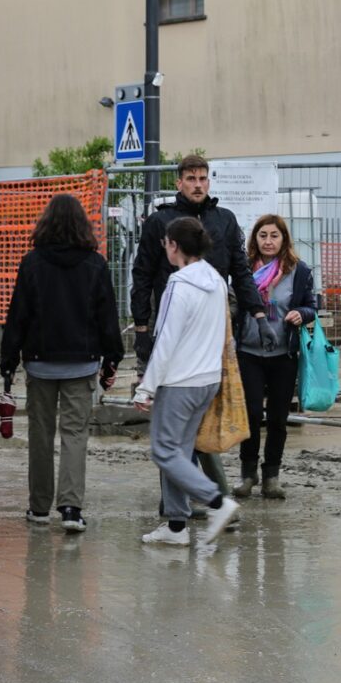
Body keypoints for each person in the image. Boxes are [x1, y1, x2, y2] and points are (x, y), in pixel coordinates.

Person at [129, 154, 272, 503]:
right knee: (176, 424)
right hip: (171, 327)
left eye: (203, 178)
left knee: (198, 420)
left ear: (209, 181)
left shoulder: (223, 220)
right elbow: (143, 274)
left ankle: (207, 499)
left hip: (214, 329)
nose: (197, 184)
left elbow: (240, 270)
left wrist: (258, 313)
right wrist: (143, 328)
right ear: (179, 182)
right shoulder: (161, 221)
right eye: (191, 178)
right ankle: (190, 502)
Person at [0, 194, 124, 533]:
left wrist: (8, 361)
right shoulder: (95, 264)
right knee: (74, 435)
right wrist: (112, 358)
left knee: (40, 435)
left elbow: (18, 316)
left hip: (40, 364)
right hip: (81, 365)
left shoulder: (32, 263)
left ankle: (39, 508)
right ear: (82, 224)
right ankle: (71, 508)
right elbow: (107, 316)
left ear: (46, 222)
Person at [133, 217, 240, 547]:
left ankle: (218, 502)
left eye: (166, 242)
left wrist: (146, 386)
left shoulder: (178, 286)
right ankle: (177, 527)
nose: (165, 247)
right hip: (206, 379)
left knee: (164, 452)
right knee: (179, 451)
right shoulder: (217, 280)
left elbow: (164, 340)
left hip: (179, 381)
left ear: (174, 246)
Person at [232, 214, 317, 500]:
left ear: (284, 239)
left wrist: (301, 314)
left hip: (284, 354)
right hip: (248, 352)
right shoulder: (243, 270)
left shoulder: (299, 271)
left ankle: (272, 476)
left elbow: (312, 306)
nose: (268, 241)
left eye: (274, 235)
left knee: (279, 418)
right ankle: (247, 474)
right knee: (252, 414)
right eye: (263, 235)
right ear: (255, 239)